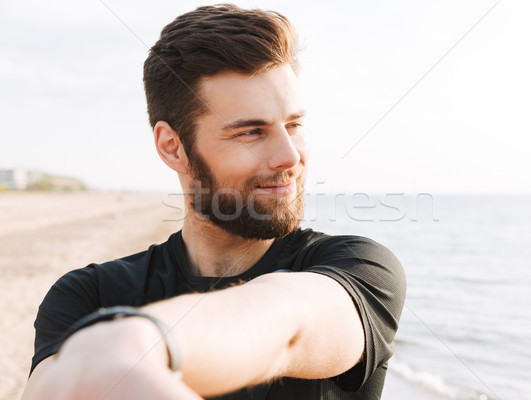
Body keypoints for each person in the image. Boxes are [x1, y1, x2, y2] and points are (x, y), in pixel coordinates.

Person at [22, 4, 406, 400]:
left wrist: (137, 342)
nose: (290, 156)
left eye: (293, 125)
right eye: (252, 132)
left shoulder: (359, 268)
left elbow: (290, 326)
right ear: (173, 148)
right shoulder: (89, 296)